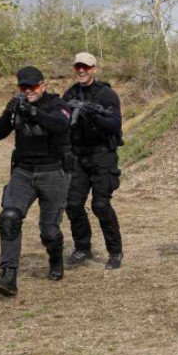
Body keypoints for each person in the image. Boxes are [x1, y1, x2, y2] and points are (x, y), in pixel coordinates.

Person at [0, 66, 73, 296]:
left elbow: (60, 124)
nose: (28, 91)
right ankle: (8, 275)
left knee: (49, 230)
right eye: (23, 87)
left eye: (32, 87)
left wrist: (33, 112)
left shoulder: (58, 105)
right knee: (9, 217)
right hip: (23, 172)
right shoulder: (18, 105)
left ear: (43, 86)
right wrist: (8, 114)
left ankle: (56, 258)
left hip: (53, 172)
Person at [61, 53, 125, 270]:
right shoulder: (70, 93)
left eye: (86, 67)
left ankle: (115, 251)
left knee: (100, 205)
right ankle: (82, 247)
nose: (81, 71)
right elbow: (59, 121)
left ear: (94, 69)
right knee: (72, 203)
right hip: (78, 156)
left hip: (102, 155)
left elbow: (115, 125)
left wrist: (93, 115)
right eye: (78, 66)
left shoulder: (107, 94)